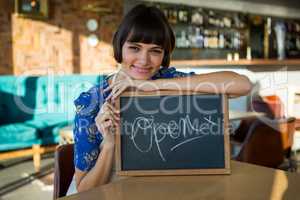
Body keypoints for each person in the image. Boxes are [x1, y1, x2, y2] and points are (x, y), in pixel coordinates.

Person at [67, 4, 252, 195]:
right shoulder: (91, 104)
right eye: (134, 48)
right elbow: (84, 190)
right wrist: (109, 144)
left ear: (164, 55)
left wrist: (150, 86)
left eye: (155, 50)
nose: (144, 60)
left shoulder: (167, 79)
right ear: (119, 47)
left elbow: (242, 85)